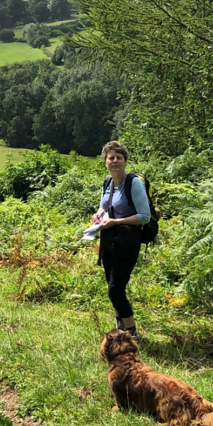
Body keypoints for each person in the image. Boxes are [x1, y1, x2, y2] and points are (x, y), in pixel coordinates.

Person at [92, 141, 151, 337]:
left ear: (125, 161)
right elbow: (103, 206)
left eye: (119, 157)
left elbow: (144, 216)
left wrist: (116, 221)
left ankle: (132, 333)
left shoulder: (133, 183)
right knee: (112, 285)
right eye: (111, 158)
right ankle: (121, 328)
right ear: (105, 161)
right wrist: (97, 216)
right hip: (110, 242)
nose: (115, 161)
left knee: (115, 291)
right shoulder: (108, 182)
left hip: (127, 243)